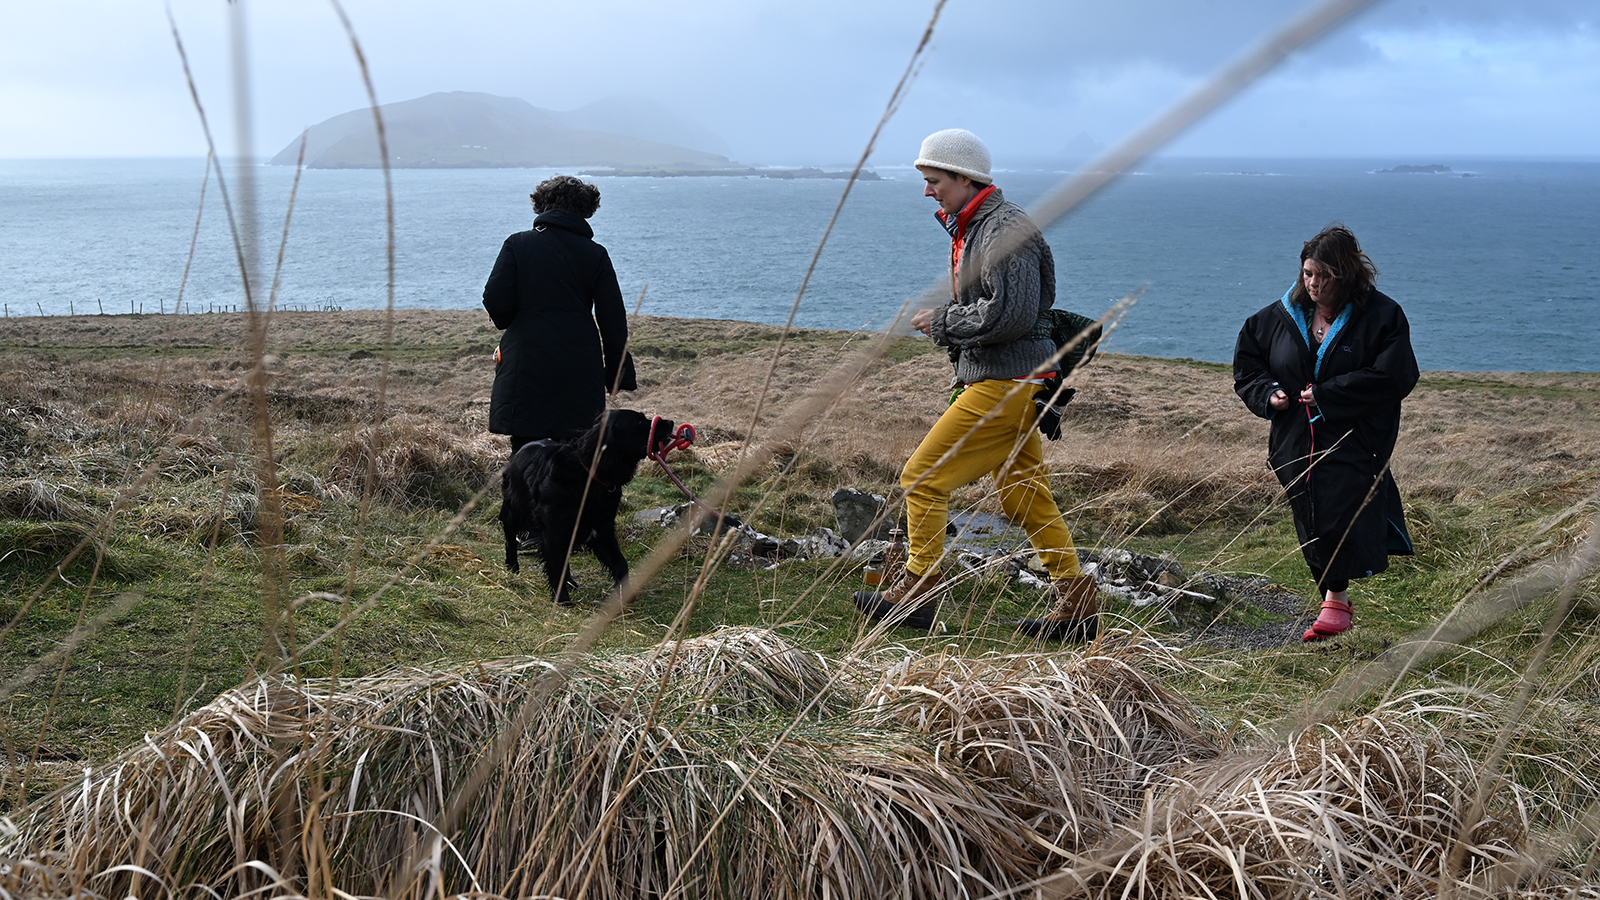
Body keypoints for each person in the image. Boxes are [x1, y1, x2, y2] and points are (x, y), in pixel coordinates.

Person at [852, 128, 1097, 640]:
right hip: (1014, 380)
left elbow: (1011, 315)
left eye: (934, 179)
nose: (927, 191)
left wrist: (943, 322)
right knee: (1023, 496)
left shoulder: (1004, 228)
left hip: (1008, 381)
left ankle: (917, 594)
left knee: (922, 478)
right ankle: (1077, 607)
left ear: (965, 178)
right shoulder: (977, 226)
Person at [1233, 224, 1418, 641]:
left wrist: (1329, 395)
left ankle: (1334, 601)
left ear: (1347, 273)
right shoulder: (1276, 318)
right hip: (1293, 442)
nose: (1314, 284)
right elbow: (1247, 366)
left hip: (1355, 438)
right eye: (1307, 274)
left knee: (1336, 511)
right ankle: (1335, 599)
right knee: (1309, 516)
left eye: (1324, 276)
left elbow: (1396, 376)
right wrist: (1269, 394)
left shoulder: (1383, 316)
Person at [483, 175, 631, 454]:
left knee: (525, 456)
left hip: (526, 363)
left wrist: (513, 321)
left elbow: (495, 299)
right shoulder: (596, 254)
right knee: (578, 456)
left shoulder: (518, 244)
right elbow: (613, 320)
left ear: (542, 206)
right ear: (586, 210)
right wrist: (617, 375)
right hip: (580, 366)